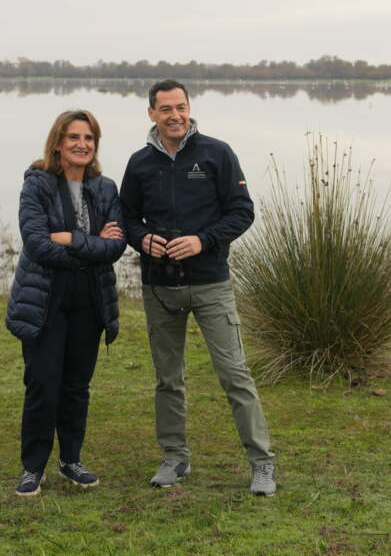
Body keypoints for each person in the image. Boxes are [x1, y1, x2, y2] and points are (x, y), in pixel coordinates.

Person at [119, 79, 277, 496]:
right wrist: (142, 239)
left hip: (210, 285)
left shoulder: (216, 153)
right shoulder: (138, 164)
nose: (175, 116)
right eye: (166, 109)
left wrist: (202, 240)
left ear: (190, 109)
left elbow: (242, 212)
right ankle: (175, 457)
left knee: (234, 374)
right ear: (151, 114)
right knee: (168, 379)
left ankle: (262, 463)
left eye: (181, 107)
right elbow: (127, 218)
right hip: (159, 288)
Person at [5, 109, 126, 497]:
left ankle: (71, 460)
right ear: (58, 142)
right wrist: (92, 246)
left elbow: (117, 245)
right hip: (45, 299)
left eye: (89, 138)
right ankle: (33, 467)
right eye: (74, 137)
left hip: (89, 299)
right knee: (43, 383)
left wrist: (71, 239)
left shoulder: (105, 188)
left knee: (76, 385)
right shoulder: (37, 185)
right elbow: (38, 244)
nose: (82, 144)